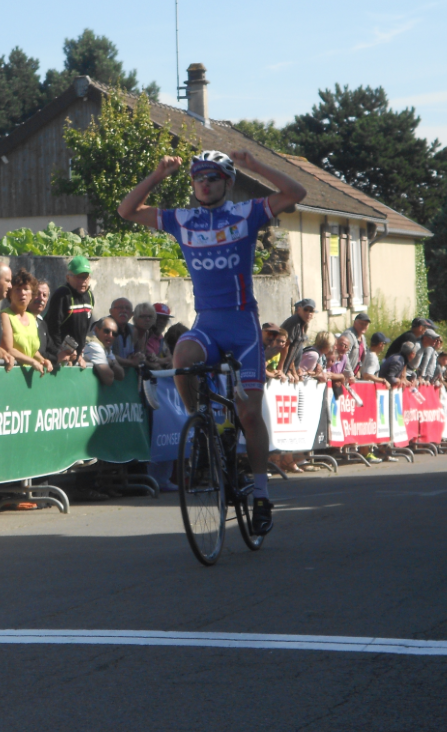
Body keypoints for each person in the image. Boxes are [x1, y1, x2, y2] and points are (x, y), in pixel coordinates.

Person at [118, 149, 306, 533]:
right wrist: (156, 175)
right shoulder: (182, 220)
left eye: (214, 177)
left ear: (228, 182)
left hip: (243, 328)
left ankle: (261, 493)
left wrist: (256, 167)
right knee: (183, 353)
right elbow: (126, 211)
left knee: (249, 414)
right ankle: (201, 427)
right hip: (207, 324)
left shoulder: (247, 213)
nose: (205, 183)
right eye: (198, 177)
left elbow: (296, 192)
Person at [1, 268, 53, 375]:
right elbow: (8, 349)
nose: (22, 293)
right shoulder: (5, 315)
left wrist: (42, 360)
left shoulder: (31, 317)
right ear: (10, 294)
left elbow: (32, 351)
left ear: (32, 294)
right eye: (18, 289)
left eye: (26, 289)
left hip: (30, 376)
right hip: (11, 373)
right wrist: (32, 362)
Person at [46, 255, 95, 362]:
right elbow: (53, 327)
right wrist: (59, 352)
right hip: (60, 355)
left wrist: (79, 354)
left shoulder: (89, 296)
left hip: (76, 355)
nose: (83, 281)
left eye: (86, 277)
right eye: (79, 277)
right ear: (68, 277)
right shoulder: (62, 295)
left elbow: (84, 328)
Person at [82, 316, 125, 386]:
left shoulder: (104, 345)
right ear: (96, 330)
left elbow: (121, 375)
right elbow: (109, 379)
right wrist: (110, 362)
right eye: (107, 331)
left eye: (114, 334)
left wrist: (110, 362)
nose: (110, 336)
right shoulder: (94, 345)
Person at [281, 299, 317, 379]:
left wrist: (295, 370)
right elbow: (285, 346)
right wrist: (283, 370)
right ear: (299, 310)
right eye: (306, 310)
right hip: (281, 367)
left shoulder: (303, 324)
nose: (308, 313)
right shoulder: (294, 322)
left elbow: (295, 349)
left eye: (311, 311)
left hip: (289, 368)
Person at [131, 302, 171, 369]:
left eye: (165, 319)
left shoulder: (150, 334)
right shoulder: (136, 332)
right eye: (159, 318)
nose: (147, 320)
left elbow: (168, 355)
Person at [110, 297, 143, 369]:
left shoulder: (132, 330)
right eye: (119, 308)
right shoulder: (105, 328)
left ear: (132, 314)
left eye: (127, 308)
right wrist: (131, 362)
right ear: (111, 311)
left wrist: (137, 356)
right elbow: (106, 354)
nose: (124, 310)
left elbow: (131, 354)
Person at [343, 312, 371, 377]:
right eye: (361, 324)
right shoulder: (349, 335)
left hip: (353, 375)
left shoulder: (362, 337)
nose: (363, 326)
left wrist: (358, 371)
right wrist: (349, 374)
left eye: (366, 324)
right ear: (355, 323)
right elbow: (344, 356)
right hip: (344, 375)